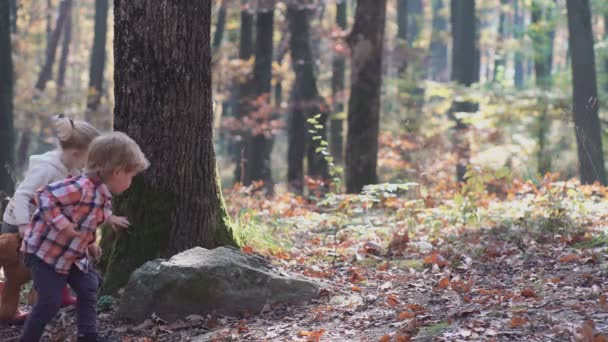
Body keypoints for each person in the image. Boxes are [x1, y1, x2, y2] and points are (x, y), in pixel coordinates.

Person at [20, 131, 149, 342]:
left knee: (88, 286)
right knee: (50, 302)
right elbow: (43, 194)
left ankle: (88, 335)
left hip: (72, 254)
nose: (131, 182)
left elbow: (87, 218)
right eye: (130, 176)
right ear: (117, 172)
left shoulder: (103, 195)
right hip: (46, 254)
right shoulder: (79, 187)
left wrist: (90, 243)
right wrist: (62, 224)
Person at [0, 115, 100, 324]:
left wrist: (89, 240)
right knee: (19, 271)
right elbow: (22, 195)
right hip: (19, 223)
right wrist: (23, 225)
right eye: (89, 158)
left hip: (44, 224)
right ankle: (10, 305)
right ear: (75, 153)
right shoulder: (46, 169)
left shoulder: (73, 170)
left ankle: (55, 297)